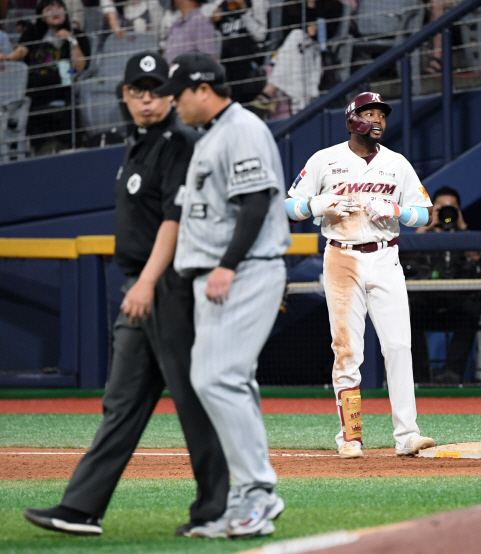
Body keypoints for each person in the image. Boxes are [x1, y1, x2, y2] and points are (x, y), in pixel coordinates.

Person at [23, 52, 229, 537]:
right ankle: (81, 508)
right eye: (137, 89)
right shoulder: (137, 145)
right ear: (124, 95)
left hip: (167, 289)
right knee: (121, 403)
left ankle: (218, 509)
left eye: (156, 90)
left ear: (171, 96)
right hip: (142, 292)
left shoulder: (179, 142)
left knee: (193, 402)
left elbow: (174, 223)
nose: (146, 98)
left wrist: (147, 282)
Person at [153, 51, 290, 538]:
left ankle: (257, 494)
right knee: (230, 381)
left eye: (178, 95)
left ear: (202, 90)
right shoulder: (216, 134)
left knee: (215, 378)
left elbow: (256, 202)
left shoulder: (241, 129)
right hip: (222, 275)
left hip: (244, 271)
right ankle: (245, 500)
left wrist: (227, 266)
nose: (174, 104)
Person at [285, 91, 436, 460]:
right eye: (369, 113)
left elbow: (425, 214)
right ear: (353, 119)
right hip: (342, 258)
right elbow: (290, 207)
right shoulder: (326, 159)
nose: (378, 120)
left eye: (381, 114)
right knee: (347, 350)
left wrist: (397, 209)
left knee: (399, 346)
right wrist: (315, 205)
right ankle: (350, 437)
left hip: (385, 256)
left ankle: (407, 436)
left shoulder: (396, 163)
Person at [404, 186, 481, 385]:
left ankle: (451, 375)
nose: (446, 211)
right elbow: (407, 253)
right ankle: (421, 378)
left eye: (452, 207)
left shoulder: (463, 235)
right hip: (427, 304)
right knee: (407, 314)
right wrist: (427, 225)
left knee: (471, 311)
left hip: (456, 305)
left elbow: (476, 255)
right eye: (441, 207)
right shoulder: (425, 236)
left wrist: (462, 225)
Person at [0, 0, 90, 153]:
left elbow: (80, 67)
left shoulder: (77, 34)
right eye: (49, 8)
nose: (55, 11)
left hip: (61, 82)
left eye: (59, 7)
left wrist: (71, 41)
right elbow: (21, 52)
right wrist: (6, 58)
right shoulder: (33, 33)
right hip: (33, 84)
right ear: (41, 15)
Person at [253, 4, 321, 116]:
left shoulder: (329, 5)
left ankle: (270, 90)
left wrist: (314, 31)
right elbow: (285, 33)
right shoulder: (292, 5)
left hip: (314, 52)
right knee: (296, 37)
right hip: (292, 51)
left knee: (297, 36)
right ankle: (298, 105)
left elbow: (332, 33)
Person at [208, 0, 268, 104]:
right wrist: (212, 22)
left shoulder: (256, 2)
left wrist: (244, 10)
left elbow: (260, 35)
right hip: (225, 66)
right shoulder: (220, 3)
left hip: (248, 63)